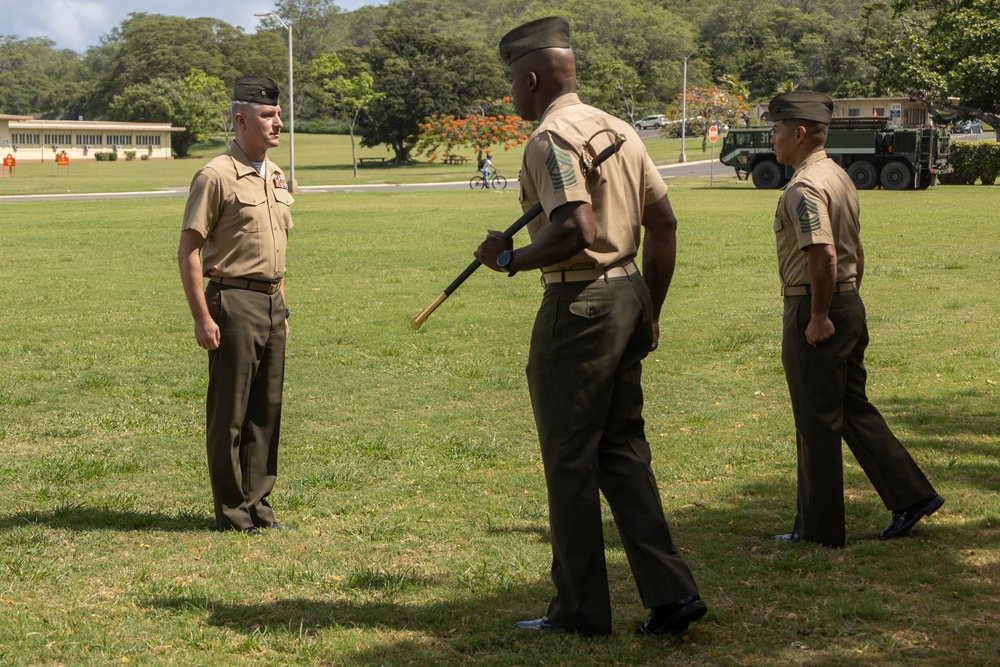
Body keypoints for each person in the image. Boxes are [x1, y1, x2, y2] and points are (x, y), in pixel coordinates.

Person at [475, 17, 705, 637]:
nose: (511, 97)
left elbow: (576, 227)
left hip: (579, 307)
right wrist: (649, 308)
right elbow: (665, 225)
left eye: (512, 84)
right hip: (629, 292)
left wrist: (508, 259)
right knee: (623, 450)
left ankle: (578, 611)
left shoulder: (549, 139)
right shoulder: (619, 128)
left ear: (530, 78)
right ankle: (671, 593)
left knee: (569, 460)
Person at [767, 90, 944, 548]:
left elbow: (823, 254)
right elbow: (855, 250)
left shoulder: (806, 186)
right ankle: (912, 495)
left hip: (816, 304)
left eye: (777, 129)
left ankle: (818, 529)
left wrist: (821, 314)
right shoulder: (838, 176)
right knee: (849, 409)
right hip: (845, 302)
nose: (772, 137)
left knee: (816, 419)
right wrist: (847, 301)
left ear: (799, 132)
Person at [178, 76, 294, 535]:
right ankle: (231, 512)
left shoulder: (277, 174)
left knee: (266, 410)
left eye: (278, 114)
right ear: (241, 120)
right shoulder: (215, 175)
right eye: (267, 116)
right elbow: (189, 249)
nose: (277, 122)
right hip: (232, 300)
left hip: (271, 303)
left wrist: (283, 308)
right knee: (230, 412)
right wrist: (202, 317)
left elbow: (278, 251)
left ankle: (259, 508)